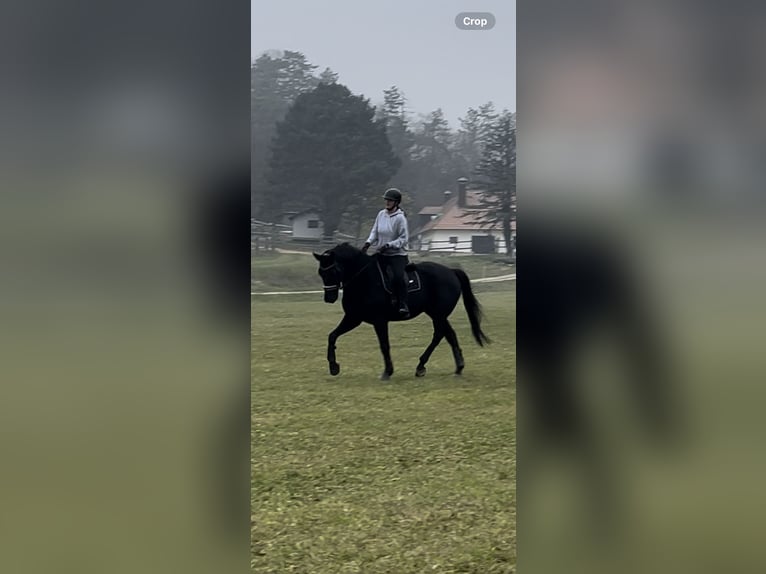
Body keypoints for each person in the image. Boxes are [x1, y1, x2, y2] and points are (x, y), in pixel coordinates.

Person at [362, 188, 410, 317]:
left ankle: (403, 304)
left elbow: (403, 239)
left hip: (397, 255)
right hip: (382, 254)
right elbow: (375, 231)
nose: (387, 202)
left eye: (390, 200)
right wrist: (368, 243)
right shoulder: (381, 214)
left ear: (396, 202)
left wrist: (389, 245)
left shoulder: (400, 218)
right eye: (386, 200)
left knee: (398, 277)